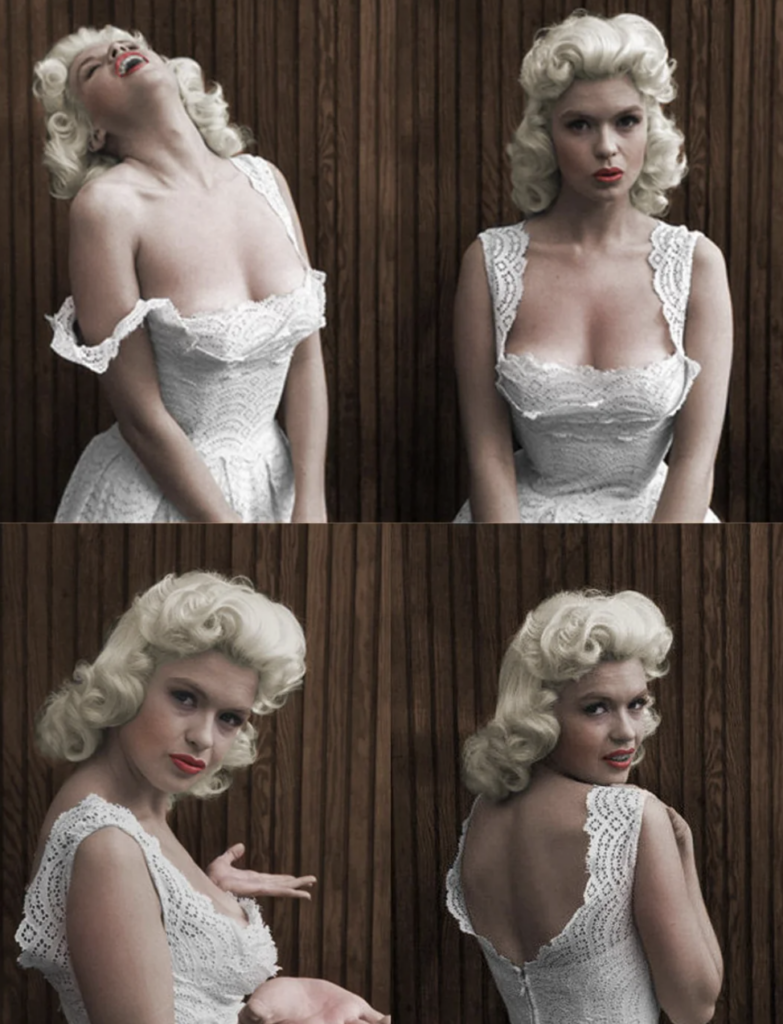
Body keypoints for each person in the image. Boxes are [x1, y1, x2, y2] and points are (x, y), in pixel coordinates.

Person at [16, 572, 390, 1024]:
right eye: (185, 698)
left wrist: (201, 904)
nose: (203, 738)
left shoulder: (138, 811)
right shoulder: (108, 844)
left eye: (230, 718)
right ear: (130, 680)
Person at [33, 26, 328, 523]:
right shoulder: (106, 209)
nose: (117, 52)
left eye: (126, 44)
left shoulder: (266, 179)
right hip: (162, 501)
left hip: (279, 487)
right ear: (93, 130)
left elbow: (306, 360)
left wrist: (312, 500)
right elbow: (140, 418)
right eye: (92, 67)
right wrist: (228, 528)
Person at [453, 12, 732, 523]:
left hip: (669, 523)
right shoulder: (489, 262)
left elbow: (696, 460)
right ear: (547, 136)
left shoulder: (697, 264)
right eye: (580, 124)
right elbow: (488, 456)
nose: (606, 146)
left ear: (651, 127)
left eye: (626, 120)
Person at [446, 590, 722, 1024]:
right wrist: (683, 860)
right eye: (597, 709)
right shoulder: (633, 816)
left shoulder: (484, 813)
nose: (627, 733)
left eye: (637, 704)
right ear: (540, 713)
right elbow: (695, 1007)